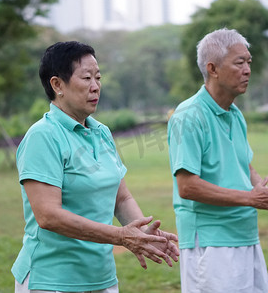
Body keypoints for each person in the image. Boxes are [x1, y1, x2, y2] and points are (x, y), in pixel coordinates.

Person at [12, 41, 179, 293]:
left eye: (98, 77)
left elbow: (121, 199)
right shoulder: (43, 136)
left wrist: (145, 235)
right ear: (57, 85)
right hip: (52, 280)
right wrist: (121, 237)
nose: (95, 86)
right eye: (86, 77)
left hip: (101, 278)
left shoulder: (101, 132)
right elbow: (48, 216)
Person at [167, 28, 268, 292]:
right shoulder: (189, 116)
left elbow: (245, 164)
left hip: (245, 234)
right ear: (213, 69)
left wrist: (259, 188)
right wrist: (251, 198)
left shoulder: (235, 114)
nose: (248, 69)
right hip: (210, 243)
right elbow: (188, 186)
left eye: (249, 62)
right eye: (239, 62)